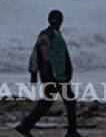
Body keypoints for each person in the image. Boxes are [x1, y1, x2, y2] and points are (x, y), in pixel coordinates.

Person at [16, 9, 78, 137]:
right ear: (60, 20)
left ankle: (25, 125)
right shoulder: (50, 35)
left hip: (54, 75)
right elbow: (45, 57)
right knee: (69, 102)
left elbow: (35, 54)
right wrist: (37, 73)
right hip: (56, 76)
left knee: (49, 102)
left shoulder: (49, 34)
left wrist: (33, 72)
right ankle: (71, 132)